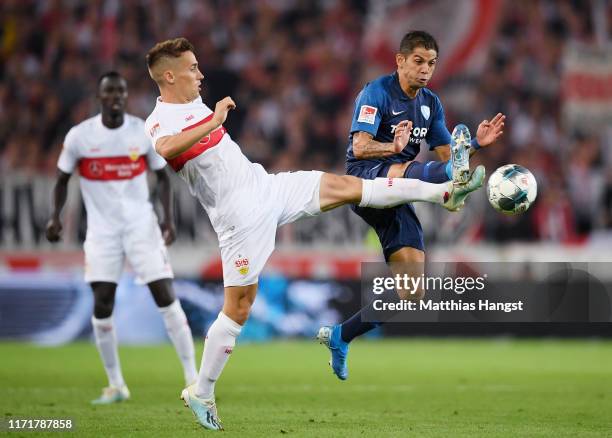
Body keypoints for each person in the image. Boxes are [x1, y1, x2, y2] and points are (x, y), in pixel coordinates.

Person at [143, 37, 484, 430]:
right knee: (237, 309)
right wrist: (213, 121)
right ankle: (202, 390)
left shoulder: (193, 104)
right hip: (239, 219)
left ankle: (442, 193)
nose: (200, 74)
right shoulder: (160, 119)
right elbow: (167, 150)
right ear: (168, 76)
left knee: (346, 187)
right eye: (191, 68)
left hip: (266, 187)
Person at [317, 31, 506, 381]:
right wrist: (392, 147)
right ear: (400, 60)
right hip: (367, 179)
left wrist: (475, 144)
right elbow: (358, 148)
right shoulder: (377, 92)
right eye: (418, 61)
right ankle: (450, 194)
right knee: (412, 172)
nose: (425, 70)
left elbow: (451, 157)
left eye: (431, 63)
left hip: (402, 190)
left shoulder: (430, 103)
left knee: (411, 291)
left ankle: (341, 336)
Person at [46, 71, 198, 404]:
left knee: (165, 296)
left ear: (125, 97)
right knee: (102, 303)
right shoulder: (80, 137)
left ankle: (193, 379)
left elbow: (163, 178)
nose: (115, 97)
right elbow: (61, 179)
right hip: (102, 233)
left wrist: (167, 220)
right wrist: (55, 217)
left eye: (120, 92)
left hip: (141, 226)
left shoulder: (140, 132)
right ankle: (116, 385)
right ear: (99, 97)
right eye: (109, 92)